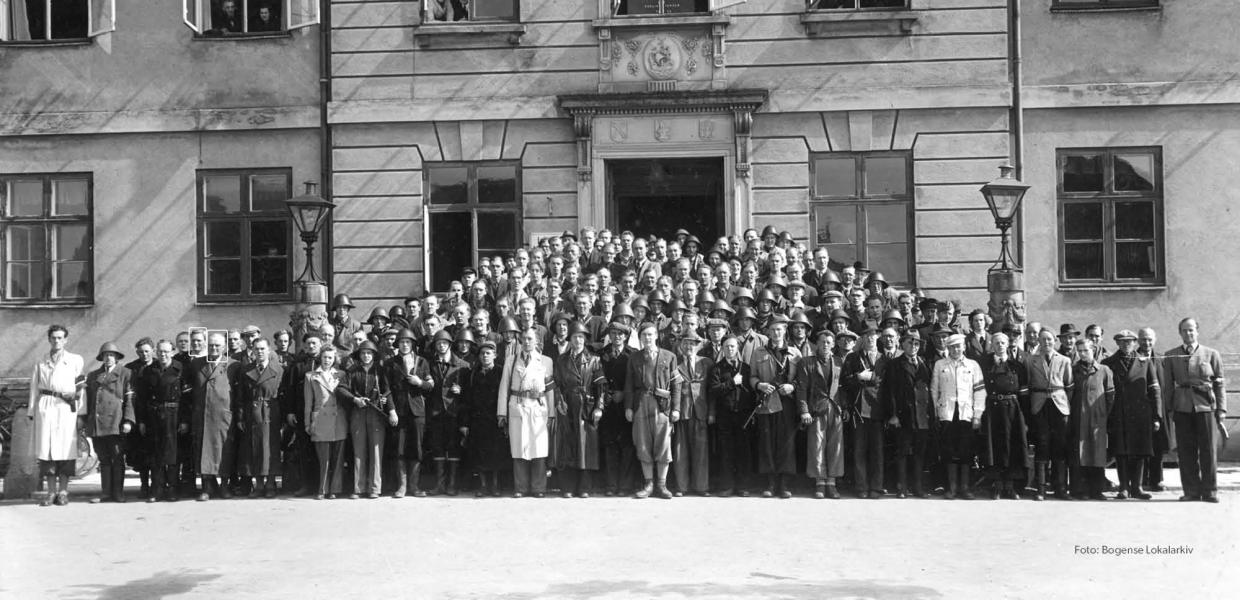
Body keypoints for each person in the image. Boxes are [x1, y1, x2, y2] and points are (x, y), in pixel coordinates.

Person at [1162, 318, 1227, 503]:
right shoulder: (1171, 355)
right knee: (1186, 450)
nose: (1188, 334)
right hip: (1182, 407)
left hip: (1205, 406)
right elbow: (1168, 386)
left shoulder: (1211, 354)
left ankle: (1210, 491)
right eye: (1184, 330)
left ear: (1197, 331)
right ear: (1180, 333)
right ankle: (1191, 490)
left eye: (1191, 330)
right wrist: (1169, 409)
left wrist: (1221, 409)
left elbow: (1219, 384)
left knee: (1208, 450)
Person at [28, 325, 85, 506]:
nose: (57, 341)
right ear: (49, 339)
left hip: (66, 408)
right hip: (46, 405)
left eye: (60, 338)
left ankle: (63, 492)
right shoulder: (40, 361)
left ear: (66, 340)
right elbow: (33, 388)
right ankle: (51, 492)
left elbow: (81, 388)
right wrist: (32, 411)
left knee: (66, 449)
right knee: (48, 450)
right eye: (53, 338)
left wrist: (81, 413)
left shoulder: (75, 360)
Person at [1101, 330, 1160, 500]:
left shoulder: (1145, 362)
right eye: (1122, 341)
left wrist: (1156, 416)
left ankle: (1137, 487)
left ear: (1135, 343)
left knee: (1139, 450)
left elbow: (1154, 390)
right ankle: (1124, 487)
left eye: (1130, 341)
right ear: (1117, 343)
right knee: (1121, 451)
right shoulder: (1108, 363)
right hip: (1118, 413)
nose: (1126, 345)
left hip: (1141, 414)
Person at [625, 322, 681, 499]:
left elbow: (676, 385)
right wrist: (628, 407)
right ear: (640, 338)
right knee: (643, 444)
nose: (647, 338)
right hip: (641, 403)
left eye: (650, 335)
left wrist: (676, 408)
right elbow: (628, 385)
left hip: (662, 405)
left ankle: (662, 485)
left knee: (663, 444)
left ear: (656, 336)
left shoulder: (669, 357)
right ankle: (648, 484)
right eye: (644, 335)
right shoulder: (634, 358)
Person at [498, 328, 555, 498]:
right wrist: (501, 412)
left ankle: (539, 488)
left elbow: (550, 389)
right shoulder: (511, 360)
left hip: (538, 407)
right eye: (524, 339)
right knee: (519, 447)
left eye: (530, 338)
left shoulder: (546, 361)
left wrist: (552, 413)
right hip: (518, 406)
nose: (527, 342)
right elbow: (504, 387)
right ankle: (520, 487)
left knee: (539, 447)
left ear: (537, 341)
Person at [552, 321, 607, 498]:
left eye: (581, 337)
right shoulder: (562, 360)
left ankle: (585, 487)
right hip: (568, 405)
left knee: (586, 447)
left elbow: (601, 388)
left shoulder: (594, 360)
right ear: (570, 339)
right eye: (575, 337)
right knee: (568, 445)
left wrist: (599, 407)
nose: (578, 341)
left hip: (587, 407)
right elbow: (557, 385)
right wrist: (560, 401)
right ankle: (568, 486)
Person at [750, 315, 801, 498]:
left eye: (779, 329)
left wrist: (792, 386)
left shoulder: (795, 353)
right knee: (767, 443)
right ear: (768, 332)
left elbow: (801, 379)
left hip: (788, 403)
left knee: (786, 443)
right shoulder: (759, 352)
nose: (775, 333)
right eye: (772, 330)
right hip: (768, 402)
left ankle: (784, 484)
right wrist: (759, 385)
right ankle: (770, 483)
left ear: (785, 330)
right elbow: (752, 376)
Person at [930, 334, 986, 500]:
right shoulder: (940, 365)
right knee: (948, 451)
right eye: (952, 346)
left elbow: (980, 391)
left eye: (959, 346)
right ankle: (952, 488)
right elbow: (934, 390)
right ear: (948, 348)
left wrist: (977, 415)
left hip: (966, 414)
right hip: (947, 413)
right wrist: (935, 413)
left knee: (966, 451)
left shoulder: (972, 365)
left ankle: (965, 487)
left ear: (964, 347)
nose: (956, 349)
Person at [187, 333, 241, 501]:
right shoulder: (196, 364)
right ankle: (206, 488)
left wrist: (238, 414)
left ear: (224, 347)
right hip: (202, 414)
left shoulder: (233, 365)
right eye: (211, 345)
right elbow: (189, 390)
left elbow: (239, 393)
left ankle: (224, 487)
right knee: (203, 450)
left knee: (224, 451)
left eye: (217, 346)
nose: (214, 348)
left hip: (223, 415)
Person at [882, 330, 934, 499]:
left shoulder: (924, 363)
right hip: (903, 414)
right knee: (902, 452)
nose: (913, 347)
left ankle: (917, 487)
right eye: (910, 343)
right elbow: (889, 391)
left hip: (921, 416)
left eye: (916, 344)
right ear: (902, 344)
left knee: (920, 453)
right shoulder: (895, 364)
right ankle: (901, 487)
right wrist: (893, 414)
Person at [1026, 328, 1074, 501]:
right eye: (1043, 339)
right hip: (1039, 405)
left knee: (1060, 445)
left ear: (1055, 341)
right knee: (1042, 444)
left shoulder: (1064, 360)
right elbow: (1029, 383)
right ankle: (1041, 488)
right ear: (1038, 341)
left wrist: (1062, 401)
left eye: (1050, 339)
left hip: (1059, 405)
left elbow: (1069, 386)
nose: (1047, 343)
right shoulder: (1031, 360)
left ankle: (1060, 488)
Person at [979, 332, 1029, 500]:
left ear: (1007, 345)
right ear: (992, 345)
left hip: (1013, 410)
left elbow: (1024, 394)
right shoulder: (984, 364)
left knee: (1012, 447)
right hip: (992, 410)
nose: (1000, 345)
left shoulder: (1017, 366)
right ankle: (997, 486)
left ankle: (1010, 486)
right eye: (996, 342)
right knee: (995, 447)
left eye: (1002, 342)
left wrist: (1025, 418)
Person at [84, 342, 136, 504]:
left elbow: (130, 398)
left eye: (112, 355)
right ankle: (106, 493)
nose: (109, 358)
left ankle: (118, 493)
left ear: (117, 357)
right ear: (102, 358)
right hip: (97, 423)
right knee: (104, 459)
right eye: (106, 355)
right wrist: (86, 422)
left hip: (116, 422)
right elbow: (88, 400)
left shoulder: (126, 373)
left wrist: (128, 420)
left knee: (117, 457)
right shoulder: (93, 375)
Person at [841, 325, 889, 499]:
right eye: (867, 335)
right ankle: (861, 487)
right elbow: (844, 383)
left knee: (877, 451)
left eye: (873, 335)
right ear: (862, 338)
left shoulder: (884, 359)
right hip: (859, 410)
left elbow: (887, 385)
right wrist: (858, 377)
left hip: (878, 409)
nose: (870, 338)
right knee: (859, 450)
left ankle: (876, 487)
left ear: (878, 338)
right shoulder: (853, 358)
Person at [345, 341, 396, 499]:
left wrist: (392, 411)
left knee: (376, 450)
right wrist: (355, 400)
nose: (366, 356)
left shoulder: (381, 371)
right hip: (358, 413)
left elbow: (388, 391)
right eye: (363, 353)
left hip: (376, 413)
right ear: (359, 355)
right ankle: (358, 488)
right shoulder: (352, 371)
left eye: (369, 353)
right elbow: (341, 389)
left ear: (374, 355)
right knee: (359, 450)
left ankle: (375, 487)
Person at [797, 330, 844, 499]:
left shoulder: (839, 362)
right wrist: (804, 411)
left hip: (835, 408)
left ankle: (831, 483)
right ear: (816, 344)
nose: (825, 345)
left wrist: (843, 407)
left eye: (828, 342)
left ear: (833, 345)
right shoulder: (806, 362)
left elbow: (841, 387)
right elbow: (801, 389)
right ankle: (820, 483)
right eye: (822, 341)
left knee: (835, 446)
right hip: (816, 409)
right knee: (817, 445)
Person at [386, 328, 433, 498]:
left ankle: (414, 486)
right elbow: (386, 390)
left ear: (413, 344)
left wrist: (419, 382)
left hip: (417, 411)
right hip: (399, 412)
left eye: (408, 342)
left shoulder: (422, 362)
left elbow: (430, 385)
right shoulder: (391, 363)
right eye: (401, 342)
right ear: (397, 344)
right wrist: (391, 411)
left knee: (417, 448)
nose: (405, 345)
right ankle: (402, 486)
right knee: (400, 448)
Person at [237, 337, 284, 498]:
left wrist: (283, 417)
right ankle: (258, 485)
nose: (260, 352)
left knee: (270, 448)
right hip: (252, 412)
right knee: (254, 448)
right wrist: (241, 417)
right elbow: (241, 396)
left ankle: (271, 484)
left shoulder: (278, 369)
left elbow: (283, 395)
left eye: (263, 349)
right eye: (256, 349)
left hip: (271, 413)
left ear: (269, 350)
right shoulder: (246, 369)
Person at [425, 329, 471, 496]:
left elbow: (469, 396)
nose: (442, 346)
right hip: (436, 413)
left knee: (453, 448)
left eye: (444, 343)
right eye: (439, 343)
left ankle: (452, 485)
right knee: (437, 447)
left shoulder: (463, 366)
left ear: (450, 345)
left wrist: (462, 390)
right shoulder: (429, 364)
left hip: (454, 413)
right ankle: (439, 484)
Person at [1068, 339, 1114, 501]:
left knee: (1097, 453)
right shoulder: (1073, 370)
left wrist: (1103, 415)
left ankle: (1097, 490)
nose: (1082, 354)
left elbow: (1110, 396)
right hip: (1079, 419)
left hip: (1097, 419)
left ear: (1093, 350)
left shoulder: (1104, 370)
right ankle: (1080, 490)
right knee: (1080, 454)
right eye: (1079, 351)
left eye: (1085, 350)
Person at [143, 340, 188, 502]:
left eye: (166, 352)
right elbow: (143, 398)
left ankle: (173, 489)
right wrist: (142, 421)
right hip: (154, 416)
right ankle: (157, 489)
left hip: (174, 415)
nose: (163, 354)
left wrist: (184, 420)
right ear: (156, 352)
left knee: (173, 455)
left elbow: (187, 398)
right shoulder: (149, 371)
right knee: (156, 454)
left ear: (172, 351)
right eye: (160, 351)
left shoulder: (180, 369)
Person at [304, 347, 351, 500]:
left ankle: (335, 490)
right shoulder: (310, 376)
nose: (327, 360)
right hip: (320, 419)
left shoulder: (341, 374)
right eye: (324, 357)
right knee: (324, 458)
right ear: (320, 358)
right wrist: (308, 423)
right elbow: (308, 403)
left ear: (334, 359)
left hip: (339, 418)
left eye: (330, 358)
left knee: (338, 458)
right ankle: (322, 489)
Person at [709, 336, 753, 497]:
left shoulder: (746, 368)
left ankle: (742, 486)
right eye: (727, 346)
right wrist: (731, 383)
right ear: (722, 348)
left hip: (743, 415)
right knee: (725, 451)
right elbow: (713, 390)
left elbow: (751, 392)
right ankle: (726, 486)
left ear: (738, 349)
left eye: (733, 346)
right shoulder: (717, 369)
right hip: (724, 415)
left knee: (743, 451)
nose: (730, 349)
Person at [672, 329, 713, 497]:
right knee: (681, 450)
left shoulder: (707, 363)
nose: (689, 346)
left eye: (692, 343)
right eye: (686, 343)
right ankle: (682, 487)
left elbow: (712, 391)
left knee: (701, 451)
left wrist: (712, 412)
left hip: (701, 412)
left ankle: (701, 487)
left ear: (698, 346)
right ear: (681, 345)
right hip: (682, 411)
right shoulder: (675, 363)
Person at [598, 320, 636, 496]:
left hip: (625, 406)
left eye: (620, 334)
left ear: (626, 336)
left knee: (627, 446)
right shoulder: (602, 354)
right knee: (609, 445)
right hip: (608, 405)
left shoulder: (632, 355)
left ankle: (626, 486)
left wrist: (624, 395)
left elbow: (635, 381)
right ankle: (611, 485)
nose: (616, 337)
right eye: (613, 334)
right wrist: (608, 395)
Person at [464, 340, 507, 497]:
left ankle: (495, 485)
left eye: (488, 353)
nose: (485, 356)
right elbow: (468, 399)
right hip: (478, 420)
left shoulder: (501, 372)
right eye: (482, 354)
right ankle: (482, 485)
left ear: (495, 355)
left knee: (496, 453)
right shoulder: (473, 373)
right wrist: (466, 423)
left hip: (496, 419)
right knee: (480, 453)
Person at [1136, 327, 1168, 491]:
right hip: (1139, 408)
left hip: (1158, 407)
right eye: (1143, 339)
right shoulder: (1133, 358)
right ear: (1138, 341)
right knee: (1141, 445)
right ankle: (1141, 480)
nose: (1146, 343)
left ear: (1154, 340)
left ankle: (1157, 479)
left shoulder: (1161, 359)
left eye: (1149, 339)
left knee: (1158, 445)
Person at [124, 338, 156, 499]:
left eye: (147, 351)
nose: (144, 354)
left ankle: (158, 485)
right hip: (137, 414)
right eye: (141, 352)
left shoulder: (159, 365)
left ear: (153, 350)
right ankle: (144, 485)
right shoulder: (131, 368)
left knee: (156, 452)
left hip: (155, 415)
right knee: (141, 454)